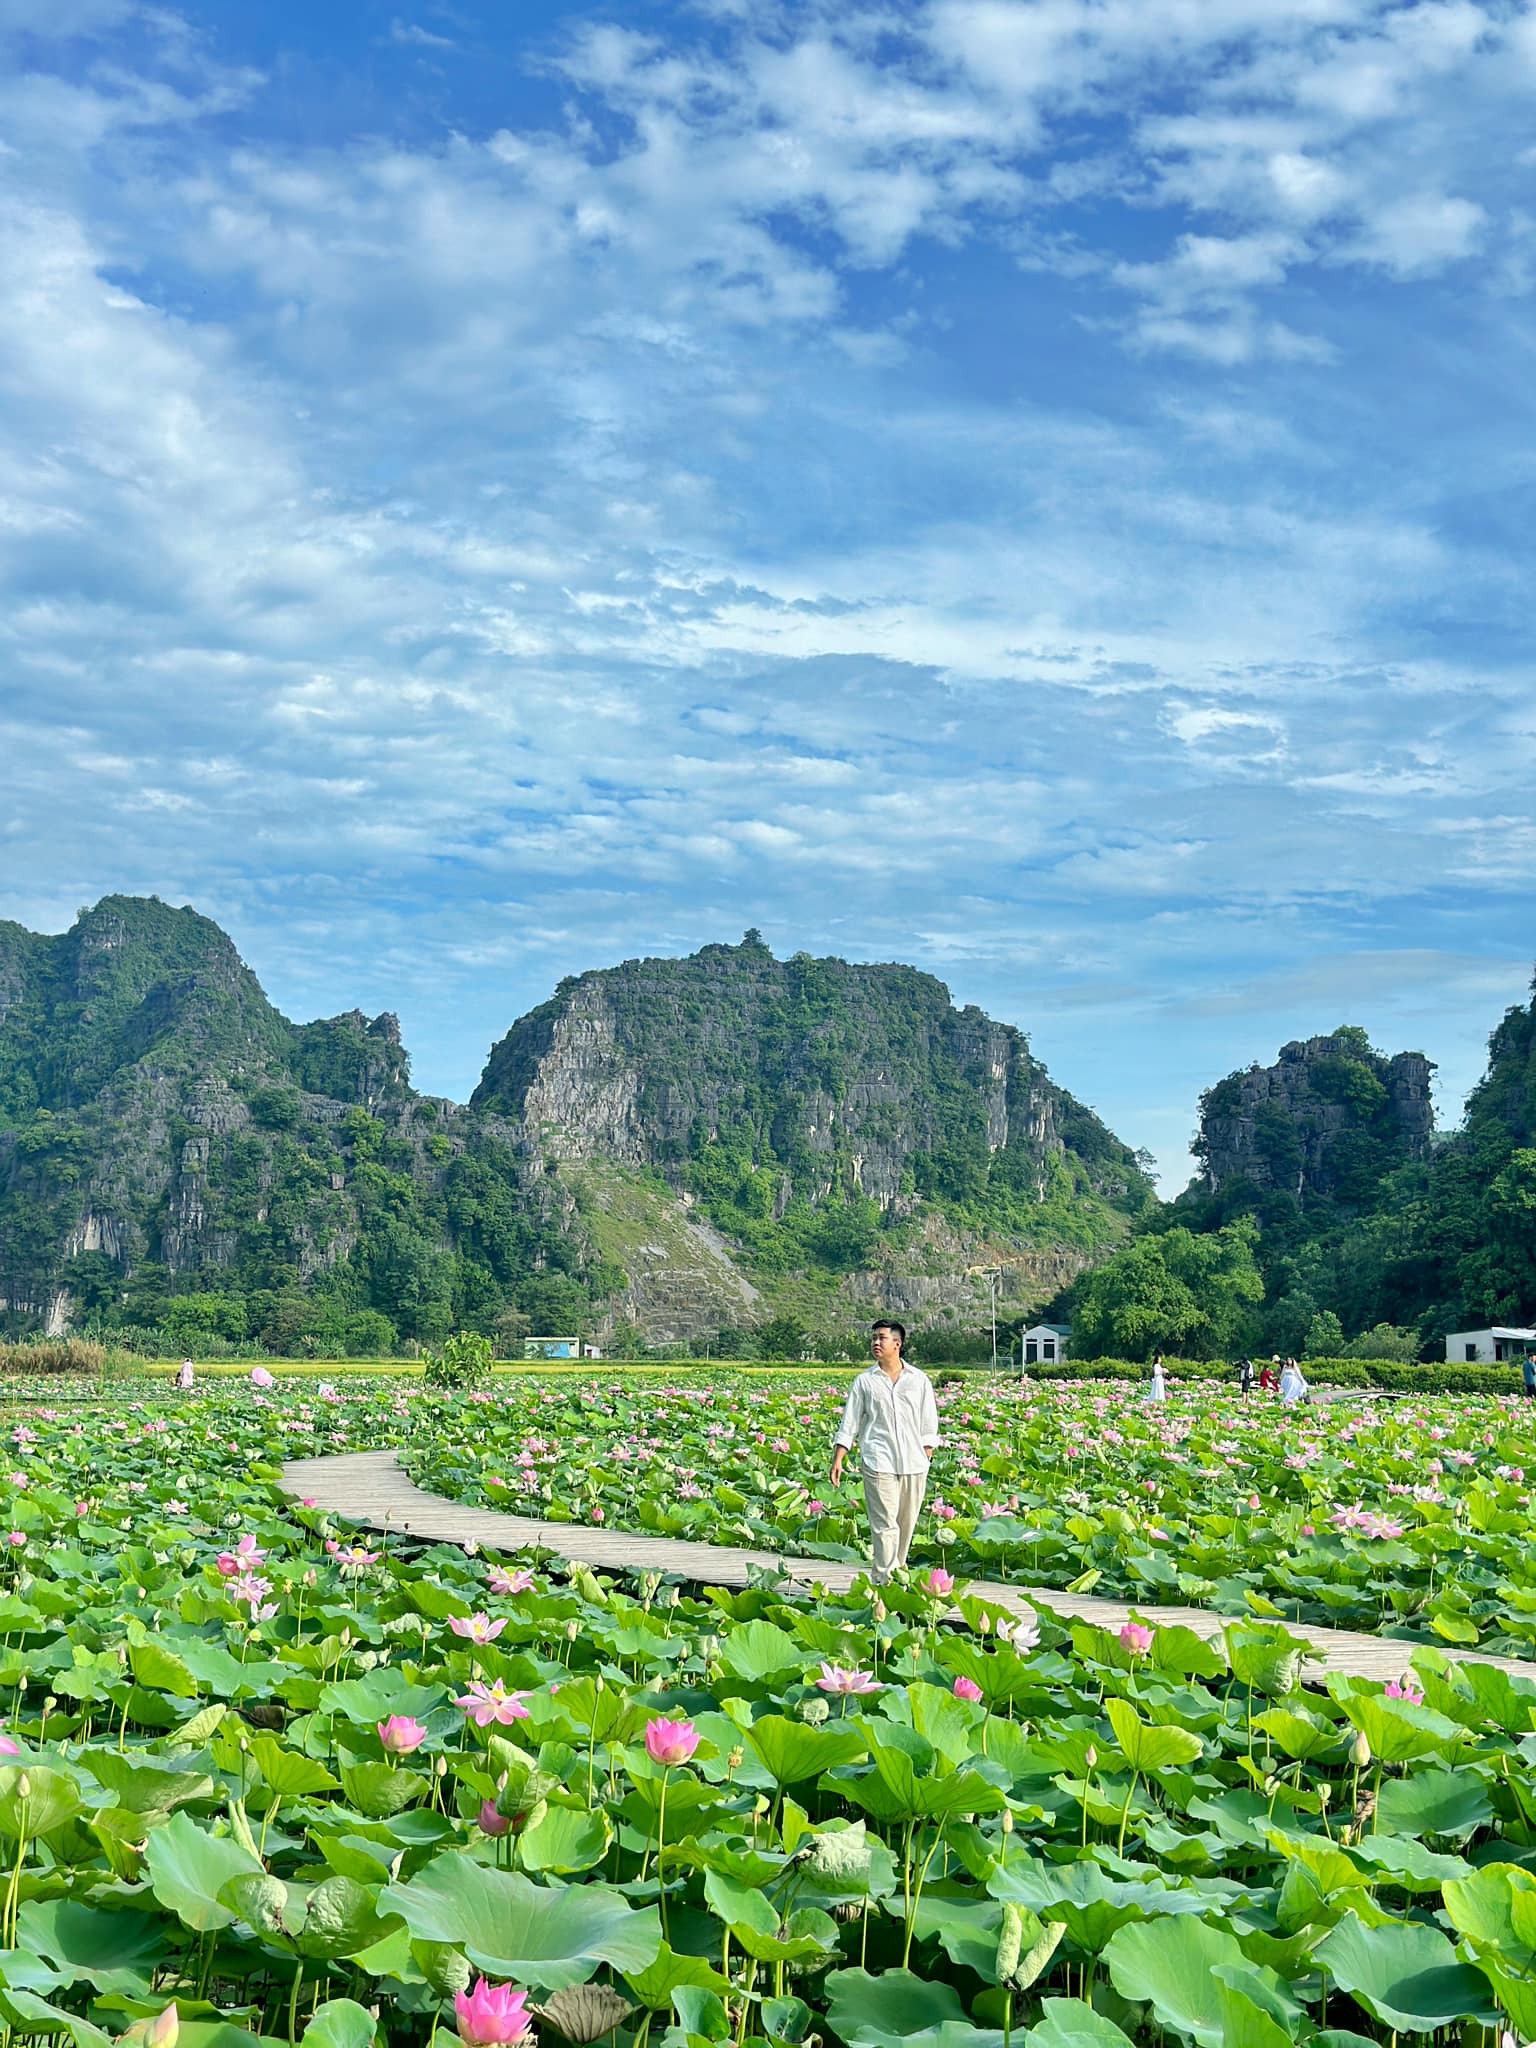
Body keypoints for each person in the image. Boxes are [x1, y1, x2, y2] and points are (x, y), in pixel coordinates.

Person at [829, 1319, 939, 1583]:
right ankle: (882, 1580)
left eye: (881, 1338)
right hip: (879, 1460)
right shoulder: (865, 1382)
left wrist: (927, 1453)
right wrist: (838, 1458)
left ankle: (897, 1576)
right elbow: (850, 1422)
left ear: (897, 1344)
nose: (876, 1343)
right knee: (884, 1525)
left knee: (906, 1524)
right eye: (874, 1339)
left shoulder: (918, 1380)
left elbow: (929, 1422)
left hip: (914, 1462)